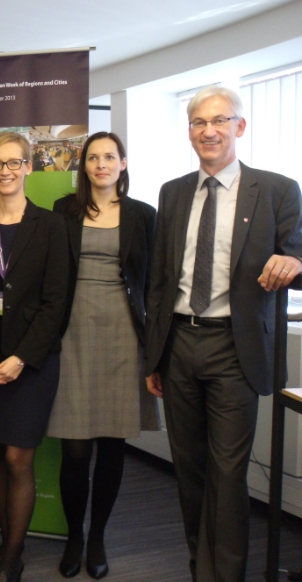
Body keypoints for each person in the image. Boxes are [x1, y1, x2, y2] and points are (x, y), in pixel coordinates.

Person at [144, 85, 302, 582]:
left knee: (228, 473)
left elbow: (298, 254)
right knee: (189, 469)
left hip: (236, 346)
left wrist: (295, 262)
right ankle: (201, 567)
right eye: (198, 122)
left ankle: (225, 575)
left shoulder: (277, 190)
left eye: (219, 120)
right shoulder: (172, 192)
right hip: (179, 343)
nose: (208, 131)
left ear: (240, 126)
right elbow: (160, 279)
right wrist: (154, 356)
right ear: (189, 130)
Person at [0, 131, 68, 582]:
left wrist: (22, 358)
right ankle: (7, 543)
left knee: (19, 458)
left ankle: (12, 554)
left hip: (31, 362)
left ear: (28, 167)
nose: (5, 171)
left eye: (13, 162)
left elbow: (56, 303)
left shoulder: (51, 226)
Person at [46, 132, 159, 580]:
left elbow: (152, 282)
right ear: (84, 165)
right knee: (75, 451)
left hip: (123, 335)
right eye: (93, 158)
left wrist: (156, 347)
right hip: (72, 333)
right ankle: (74, 535)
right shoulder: (64, 211)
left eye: (109, 157)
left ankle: (97, 537)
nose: (101, 164)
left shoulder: (142, 215)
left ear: (122, 163)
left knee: (112, 445)